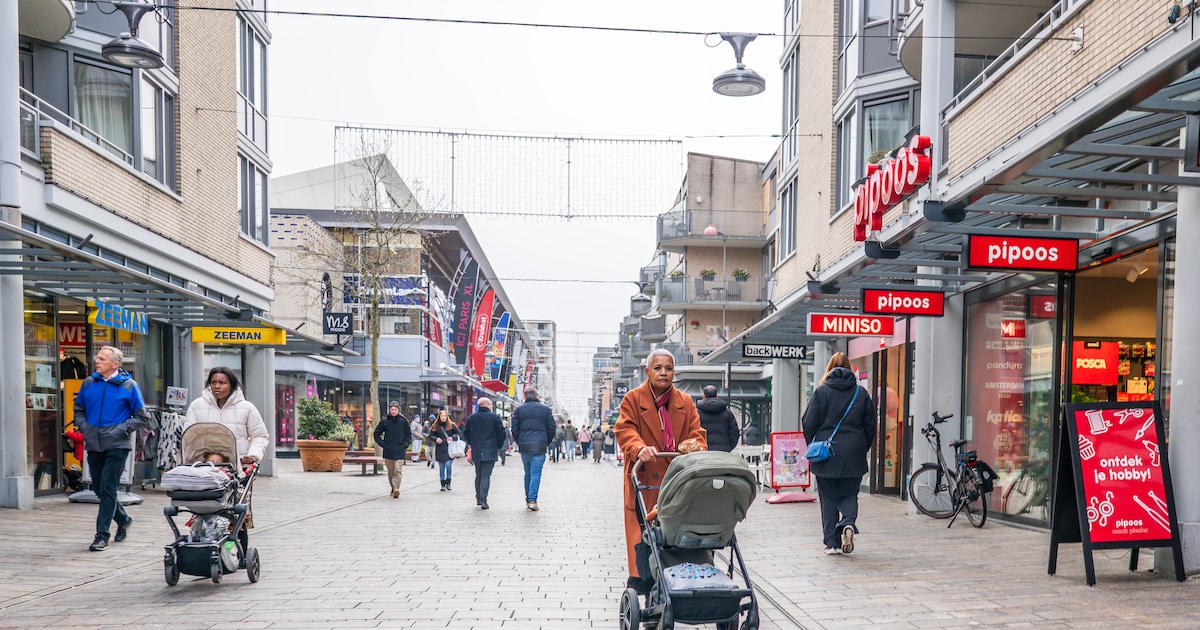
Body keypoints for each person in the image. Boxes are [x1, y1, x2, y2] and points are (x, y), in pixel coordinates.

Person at [616, 348, 707, 595]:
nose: (663, 373)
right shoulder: (633, 399)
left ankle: (680, 582)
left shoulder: (685, 402)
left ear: (674, 372)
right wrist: (639, 447)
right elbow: (625, 430)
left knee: (678, 533)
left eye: (668, 368)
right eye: (657, 368)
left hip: (677, 481)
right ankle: (643, 584)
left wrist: (695, 447)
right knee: (645, 535)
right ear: (647, 371)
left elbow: (697, 434)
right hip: (645, 480)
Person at [801, 352, 877, 556]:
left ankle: (832, 543)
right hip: (854, 451)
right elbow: (871, 425)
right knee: (849, 493)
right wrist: (862, 446)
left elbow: (808, 422)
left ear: (830, 368)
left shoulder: (821, 392)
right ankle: (848, 523)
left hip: (827, 452)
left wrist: (815, 445)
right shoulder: (860, 394)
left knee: (828, 497)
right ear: (849, 368)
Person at [75, 345, 150, 552]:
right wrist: (85, 428)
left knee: (108, 489)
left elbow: (142, 417)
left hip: (117, 445)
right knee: (99, 489)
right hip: (93, 443)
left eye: (102, 359)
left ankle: (101, 536)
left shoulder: (128, 385)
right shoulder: (89, 383)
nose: (96, 361)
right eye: (97, 358)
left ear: (115, 364)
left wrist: (119, 430)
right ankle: (123, 519)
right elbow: (78, 409)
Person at [184, 367, 270, 467]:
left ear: (231, 385)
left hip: (239, 466)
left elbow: (260, 436)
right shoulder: (197, 406)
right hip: (203, 466)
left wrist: (252, 455)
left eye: (222, 383)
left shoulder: (247, 408)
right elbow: (188, 437)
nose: (217, 386)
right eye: (213, 382)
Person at [510, 387, 555, 511]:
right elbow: (551, 428)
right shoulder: (546, 410)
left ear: (525, 396)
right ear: (536, 395)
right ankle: (532, 500)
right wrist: (546, 441)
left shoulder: (519, 410)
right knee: (536, 473)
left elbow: (514, 429)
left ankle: (528, 499)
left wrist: (520, 441)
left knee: (528, 473)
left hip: (524, 445)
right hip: (540, 445)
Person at [462, 398, 506, 509]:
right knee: (486, 475)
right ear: (486, 405)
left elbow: (466, 434)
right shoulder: (494, 418)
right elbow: (501, 433)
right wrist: (498, 446)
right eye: (490, 404)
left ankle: (478, 498)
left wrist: (472, 443)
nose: (491, 406)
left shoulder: (471, 418)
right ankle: (483, 500)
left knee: (478, 475)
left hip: (477, 450)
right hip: (490, 450)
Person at [373, 402, 412, 499]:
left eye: (395, 409)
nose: (393, 411)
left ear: (398, 410)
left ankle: (396, 488)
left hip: (400, 450)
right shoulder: (385, 421)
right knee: (391, 471)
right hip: (388, 450)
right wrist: (382, 444)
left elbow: (408, 435)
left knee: (398, 470)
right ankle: (393, 487)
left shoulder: (404, 421)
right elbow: (377, 433)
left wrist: (405, 444)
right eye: (392, 409)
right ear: (389, 410)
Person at [696, 385, 740, 452]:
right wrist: (728, 447)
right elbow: (734, 433)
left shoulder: (697, 413)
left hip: (704, 451)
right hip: (723, 451)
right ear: (717, 396)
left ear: (703, 396)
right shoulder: (727, 413)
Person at [429, 410, 461, 491]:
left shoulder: (452, 425)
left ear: (447, 417)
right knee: (442, 467)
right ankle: (443, 484)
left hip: (449, 449)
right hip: (440, 449)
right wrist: (436, 439)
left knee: (448, 465)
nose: (443, 417)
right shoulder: (435, 426)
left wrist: (453, 437)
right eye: (442, 416)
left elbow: (459, 434)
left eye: (445, 416)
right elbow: (430, 436)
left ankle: (448, 483)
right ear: (439, 417)